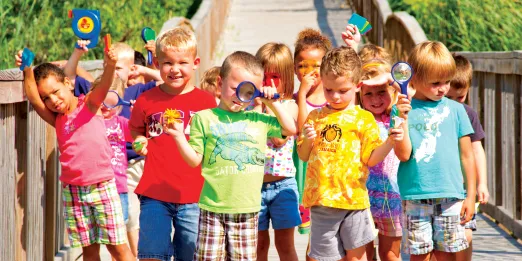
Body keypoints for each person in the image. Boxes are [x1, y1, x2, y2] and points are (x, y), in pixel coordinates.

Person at [164, 51, 296, 260]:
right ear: (219, 83)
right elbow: (194, 160)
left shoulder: (258, 119)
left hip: (247, 210)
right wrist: (179, 136)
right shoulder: (203, 118)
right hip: (212, 208)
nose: (238, 96)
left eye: (247, 91)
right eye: (234, 88)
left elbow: (290, 129)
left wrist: (273, 102)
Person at [15, 47, 134, 260]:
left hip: (102, 186)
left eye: (56, 91)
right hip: (74, 192)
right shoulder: (57, 119)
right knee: (89, 251)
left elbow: (104, 87)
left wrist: (109, 66)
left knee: (118, 248)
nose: (53, 100)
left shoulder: (89, 104)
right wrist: (26, 70)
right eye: (47, 97)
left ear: (68, 83)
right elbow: (33, 99)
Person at [297, 46, 406, 261]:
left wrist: (390, 141)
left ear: (357, 86)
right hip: (323, 201)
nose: (335, 96)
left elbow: (371, 158)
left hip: (355, 201)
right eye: (329, 90)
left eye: (342, 90)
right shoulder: (315, 117)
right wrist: (308, 141)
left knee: (356, 257)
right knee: (325, 257)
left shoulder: (363, 119)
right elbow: (302, 155)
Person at [130, 27, 217, 261]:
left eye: (182, 62)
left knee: (191, 255)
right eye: (168, 63)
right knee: (151, 255)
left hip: (195, 195)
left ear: (195, 63)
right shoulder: (146, 99)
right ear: (157, 63)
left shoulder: (206, 102)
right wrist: (139, 140)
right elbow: (136, 129)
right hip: (154, 192)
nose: (175, 69)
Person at [393, 41, 477, 261]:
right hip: (415, 196)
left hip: (451, 197)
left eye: (447, 81)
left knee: (447, 255)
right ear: (414, 78)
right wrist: (401, 119)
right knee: (419, 256)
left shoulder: (457, 110)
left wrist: (470, 196)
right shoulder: (403, 109)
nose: (443, 88)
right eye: (436, 83)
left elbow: (467, 156)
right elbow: (403, 154)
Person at [254, 42, 300, 261]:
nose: (268, 84)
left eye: (274, 77)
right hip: (254, 185)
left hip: (283, 185)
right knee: (258, 245)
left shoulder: (289, 105)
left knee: (285, 244)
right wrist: (256, 104)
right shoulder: (252, 105)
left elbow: (279, 139)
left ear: (286, 77)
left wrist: (270, 104)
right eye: (263, 77)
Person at [357, 59, 402, 261]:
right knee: (364, 254)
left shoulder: (396, 114)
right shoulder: (356, 117)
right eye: (368, 93)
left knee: (389, 253)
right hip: (362, 196)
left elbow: (411, 93)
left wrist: (390, 79)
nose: (375, 98)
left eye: (381, 91)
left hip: (392, 196)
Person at [446, 54, 489, 261]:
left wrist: (482, 183)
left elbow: (477, 149)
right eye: (449, 97)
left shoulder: (468, 114)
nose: (455, 103)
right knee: (442, 240)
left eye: (460, 97)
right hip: (443, 184)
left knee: (465, 234)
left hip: (464, 187)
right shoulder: (434, 112)